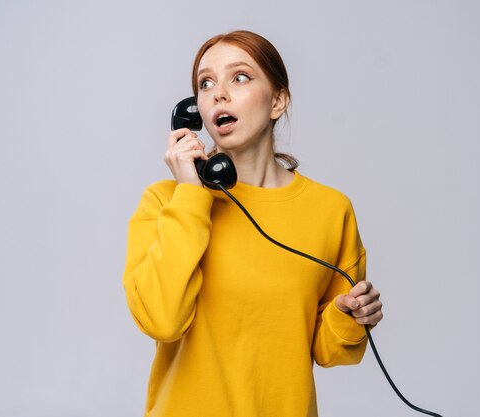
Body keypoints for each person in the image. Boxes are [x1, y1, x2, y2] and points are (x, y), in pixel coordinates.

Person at [123, 30, 383, 417]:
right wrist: (191, 195)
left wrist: (348, 316)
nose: (218, 93)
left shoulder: (331, 210)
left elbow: (328, 352)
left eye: (239, 77)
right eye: (205, 83)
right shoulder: (166, 201)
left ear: (278, 100)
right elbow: (162, 320)